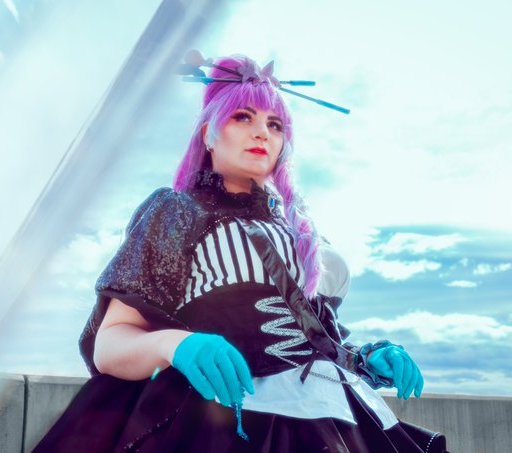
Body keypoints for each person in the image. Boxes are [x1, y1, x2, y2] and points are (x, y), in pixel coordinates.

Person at [33, 53, 448, 453]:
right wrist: (177, 345)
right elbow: (109, 346)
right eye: (242, 117)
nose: (261, 133)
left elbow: (316, 340)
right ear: (208, 134)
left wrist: (367, 359)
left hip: (339, 415)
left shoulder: (300, 230)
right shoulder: (176, 212)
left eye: (274, 124)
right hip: (220, 418)